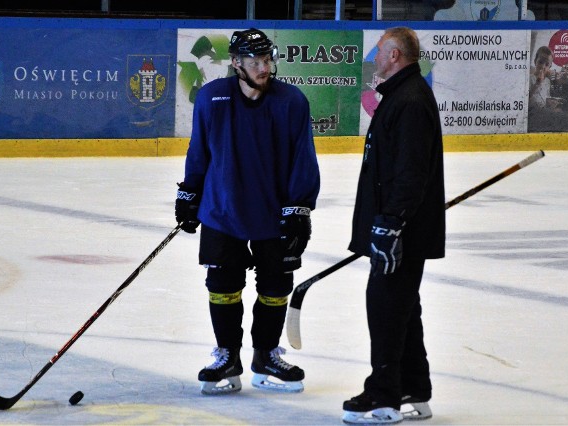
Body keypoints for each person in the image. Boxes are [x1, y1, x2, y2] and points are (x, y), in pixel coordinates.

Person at [175, 28, 320, 395]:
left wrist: (299, 208)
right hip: (222, 210)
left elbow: (302, 158)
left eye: (267, 60)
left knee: (275, 286)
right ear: (236, 63)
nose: (263, 67)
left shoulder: (292, 101)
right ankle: (227, 354)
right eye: (255, 61)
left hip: (274, 213)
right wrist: (190, 193)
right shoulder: (211, 98)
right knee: (223, 285)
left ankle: (266, 354)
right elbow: (199, 152)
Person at [343, 27, 445, 424]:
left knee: (385, 307)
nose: (374, 59)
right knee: (403, 307)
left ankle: (383, 396)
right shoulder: (402, 95)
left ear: (396, 55)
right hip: (397, 228)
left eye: (379, 52)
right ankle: (413, 387)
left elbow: (410, 173)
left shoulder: (411, 100)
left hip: (400, 233)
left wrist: (391, 224)